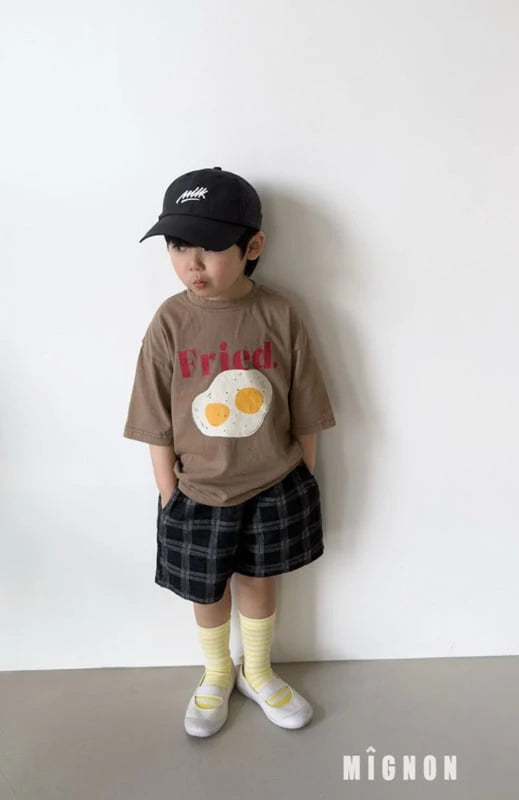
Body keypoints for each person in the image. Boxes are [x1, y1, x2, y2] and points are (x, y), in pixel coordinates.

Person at [123, 166, 336, 738]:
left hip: (273, 484)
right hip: (196, 490)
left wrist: (302, 473)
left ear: (252, 247)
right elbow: (154, 414)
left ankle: (257, 670)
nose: (192, 263)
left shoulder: (279, 314)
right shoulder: (171, 321)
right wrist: (168, 491)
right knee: (207, 588)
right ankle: (217, 671)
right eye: (178, 246)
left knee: (260, 581)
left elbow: (306, 402)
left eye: (211, 247)